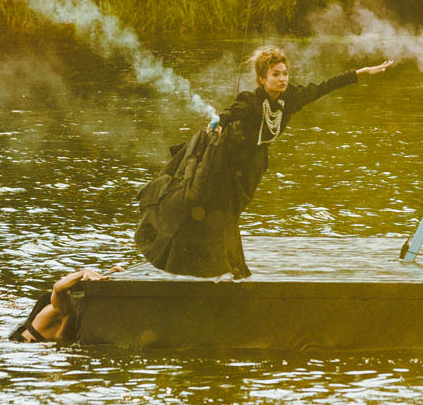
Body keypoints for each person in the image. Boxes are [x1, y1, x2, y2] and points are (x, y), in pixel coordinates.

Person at [133, 46, 395, 279]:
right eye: (276, 75)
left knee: (227, 214)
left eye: (285, 74)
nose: (282, 79)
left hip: (250, 165)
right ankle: (167, 241)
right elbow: (228, 114)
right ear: (263, 79)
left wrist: (362, 72)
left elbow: (326, 86)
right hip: (224, 157)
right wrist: (216, 124)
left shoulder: (291, 98)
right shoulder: (250, 100)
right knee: (197, 200)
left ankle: (220, 265)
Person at [8, 268, 108, 343]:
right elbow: (58, 288)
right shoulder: (62, 307)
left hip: (41, 348)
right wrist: (84, 272)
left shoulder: (75, 309)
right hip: (25, 347)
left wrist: (109, 274)